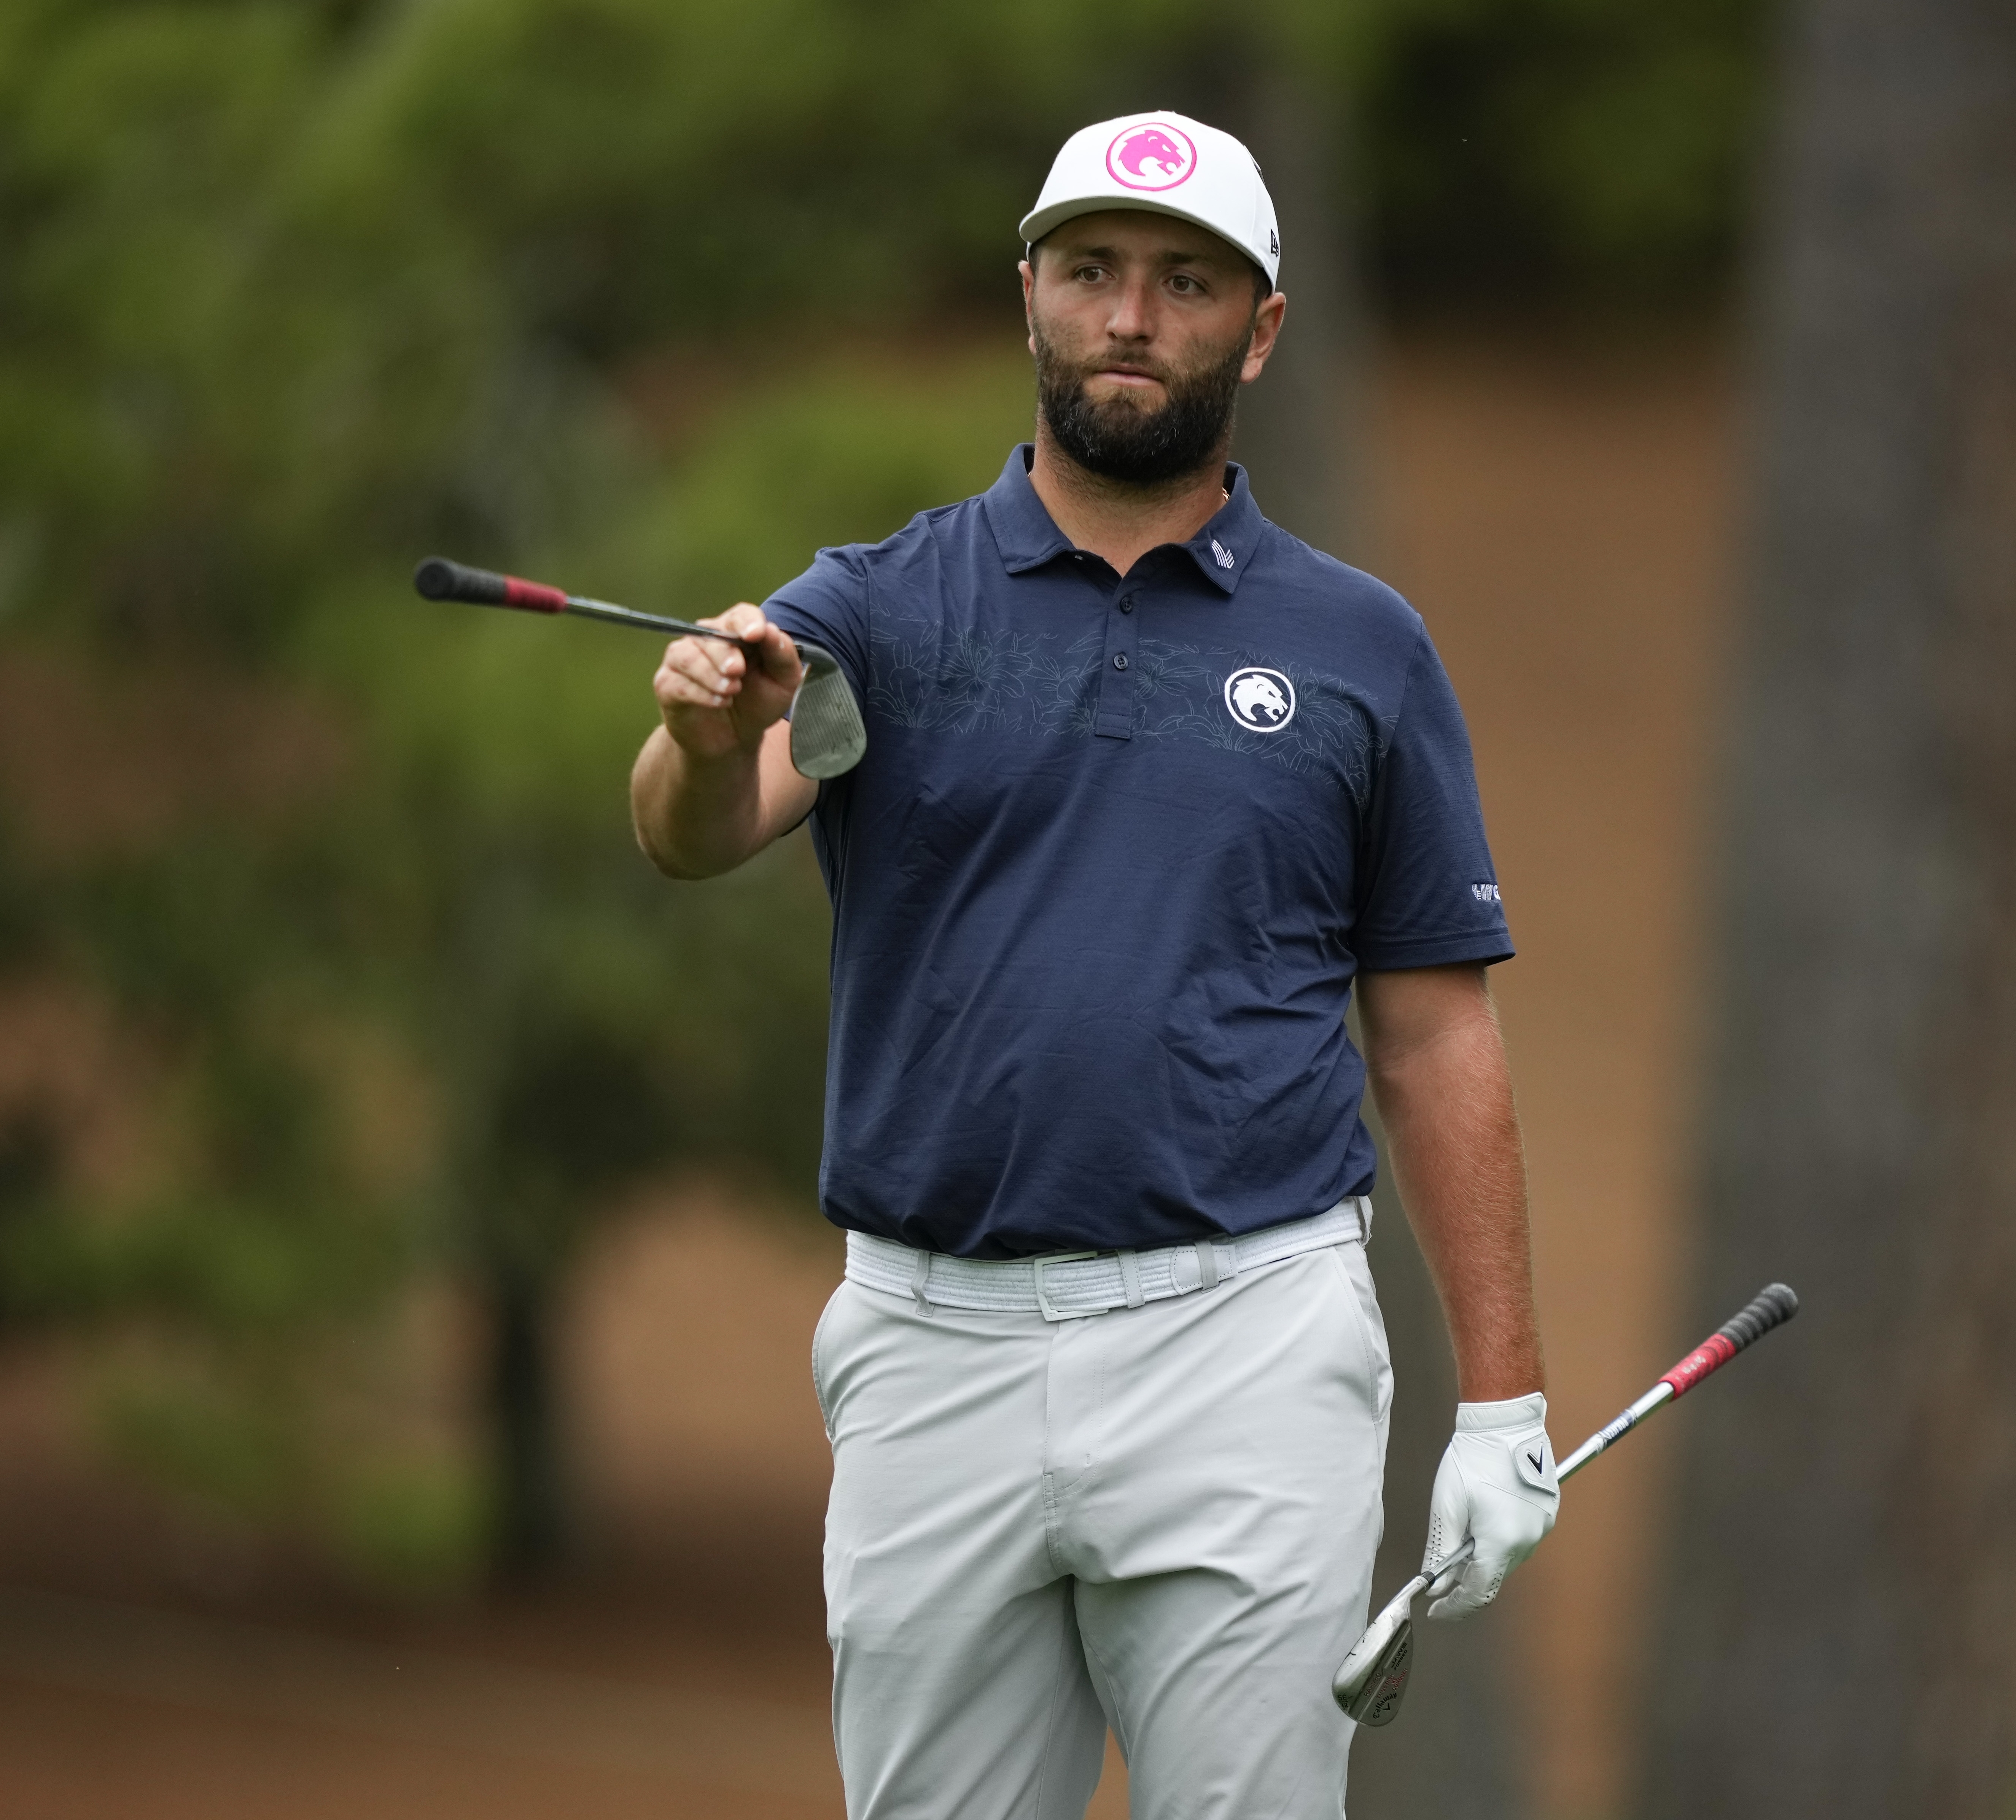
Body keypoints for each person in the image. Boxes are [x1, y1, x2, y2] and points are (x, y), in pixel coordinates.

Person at [628, 110, 1553, 1820]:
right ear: (1032, 297)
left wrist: (1500, 1401)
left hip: (1247, 1334)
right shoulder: (878, 606)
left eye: (1184, 281)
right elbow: (699, 824)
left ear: (1261, 328)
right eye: (1093, 272)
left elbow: (1432, 1037)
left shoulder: (1361, 644)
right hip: (932, 1339)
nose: (1131, 315)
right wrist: (694, 733)